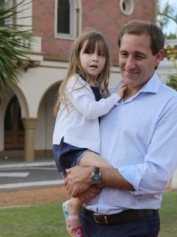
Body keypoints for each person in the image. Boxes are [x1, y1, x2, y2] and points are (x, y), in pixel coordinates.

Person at [64, 20, 177, 237]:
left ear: (158, 57)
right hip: (87, 222)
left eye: (139, 56)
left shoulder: (170, 103)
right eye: (124, 54)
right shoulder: (105, 98)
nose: (129, 63)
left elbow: (156, 176)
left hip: (130, 227)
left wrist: (95, 175)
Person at [52, 31, 127, 237]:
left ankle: (75, 208)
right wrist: (117, 96)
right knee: (107, 171)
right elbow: (91, 110)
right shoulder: (75, 83)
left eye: (101, 54)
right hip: (71, 146)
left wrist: (113, 95)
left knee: (102, 177)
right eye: (89, 53)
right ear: (78, 56)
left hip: (82, 147)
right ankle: (74, 205)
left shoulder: (98, 88)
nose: (95, 58)